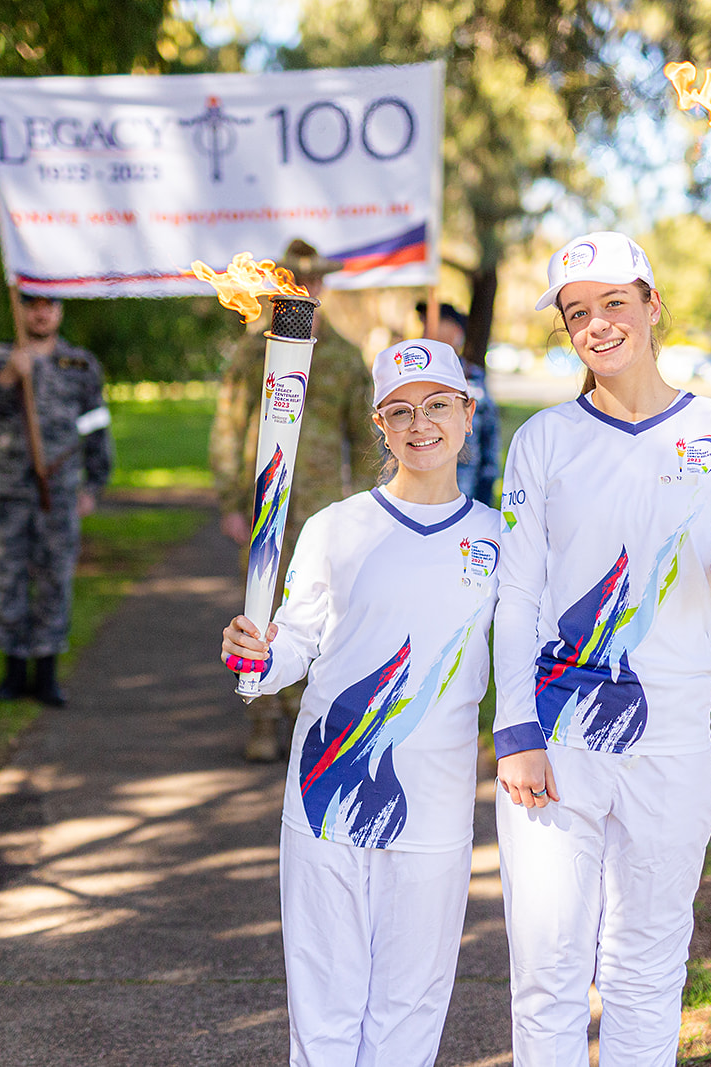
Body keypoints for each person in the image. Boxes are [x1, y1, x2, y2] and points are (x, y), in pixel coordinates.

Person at [490, 232, 711, 1066]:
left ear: (652, 305)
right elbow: (517, 593)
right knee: (547, 971)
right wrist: (515, 729)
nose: (597, 324)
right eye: (578, 312)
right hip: (558, 739)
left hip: (673, 738)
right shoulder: (543, 441)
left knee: (647, 968)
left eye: (615, 302)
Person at [221, 338, 500, 1067]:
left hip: (433, 808)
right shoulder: (334, 528)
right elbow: (296, 642)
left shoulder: (501, 539)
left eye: (439, 405)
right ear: (379, 423)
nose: (421, 424)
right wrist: (258, 655)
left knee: (409, 1012)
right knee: (324, 1007)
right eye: (401, 411)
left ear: (468, 414)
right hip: (323, 800)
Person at [210, 238, 378, 762]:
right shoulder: (252, 350)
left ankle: (307, 717)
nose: (307, 289)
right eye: (297, 280)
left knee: (318, 614)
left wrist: (374, 510)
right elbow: (229, 427)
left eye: (315, 281)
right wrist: (231, 501)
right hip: (266, 508)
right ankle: (261, 720)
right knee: (258, 609)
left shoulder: (346, 357)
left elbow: (369, 441)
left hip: (323, 511)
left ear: (324, 286)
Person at [0, 290, 114, 707]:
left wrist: (94, 484)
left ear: (60, 310)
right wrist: (10, 375)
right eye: (32, 304)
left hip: (59, 491)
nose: (41, 312)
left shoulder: (79, 365)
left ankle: (46, 675)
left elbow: (96, 425)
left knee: (55, 577)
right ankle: (13, 672)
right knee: (7, 576)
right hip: (9, 491)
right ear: (21, 309)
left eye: (50, 304)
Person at [418, 300, 500, 504]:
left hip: (465, 490)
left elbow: (489, 436)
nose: (426, 330)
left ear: (456, 332)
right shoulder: (413, 380)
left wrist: (486, 487)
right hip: (420, 493)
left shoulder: (472, 377)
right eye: (425, 323)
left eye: (436, 323)